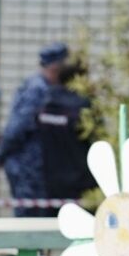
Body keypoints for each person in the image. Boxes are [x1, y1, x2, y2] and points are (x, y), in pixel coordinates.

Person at [0, 43, 69, 217]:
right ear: (55, 68)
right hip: (27, 168)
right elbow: (17, 127)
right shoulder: (38, 90)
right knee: (30, 216)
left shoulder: (37, 85)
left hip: (33, 168)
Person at [37, 60, 97, 201]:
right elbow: (96, 138)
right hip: (81, 179)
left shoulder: (46, 103)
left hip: (49, 178)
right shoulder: (84, 106)